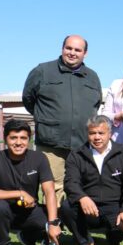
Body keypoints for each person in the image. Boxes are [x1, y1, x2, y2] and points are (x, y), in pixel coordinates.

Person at [22, 34, 102, 203]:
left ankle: (79, 225)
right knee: (53, 186)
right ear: (62, 48)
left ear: (85, 53)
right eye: (69, 48)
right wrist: (48, 119)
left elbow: (95, 106)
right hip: (52, 144)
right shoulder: (42, 71)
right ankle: (54, 224)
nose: (72, 53)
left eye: (77, 50)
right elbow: (28, 100)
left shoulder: (93, 77)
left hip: (82, 144)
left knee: (81, 184)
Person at [0, 120, 60, 245]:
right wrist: (19, 193)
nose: (18, 142)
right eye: (13, 138)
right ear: (5, 139)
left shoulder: (39, 158)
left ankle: (29, 237)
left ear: (29, 140)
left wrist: (53, 223)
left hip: (29, 211)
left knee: (59, 213)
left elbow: (49, 191)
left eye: (23, 138)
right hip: (4, 212)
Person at [60, 116, 123, 245]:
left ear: (109, 133)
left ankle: (113, 239)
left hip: (114, 205)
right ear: (87, 134)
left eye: (101, 133)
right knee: (66, 207)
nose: (96, 137)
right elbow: (70, 182)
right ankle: (86, 244)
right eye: (92, 133)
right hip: (88, 207)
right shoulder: (76, 154)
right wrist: (82, 197)